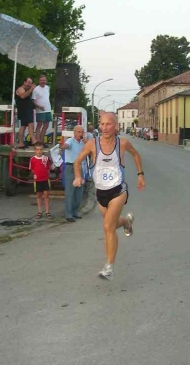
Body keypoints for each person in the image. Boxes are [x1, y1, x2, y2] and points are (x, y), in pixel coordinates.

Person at [73, 112, 146, 281]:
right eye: (102, 124)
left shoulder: (123, 144)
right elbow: (77, 162)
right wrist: (78, 176)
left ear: (115, 126)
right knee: (112, 224)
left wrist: (140, 174)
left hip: (118, 191)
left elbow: (135, 154)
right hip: (101, 193)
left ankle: (109, 267)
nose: (104, 127)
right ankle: (126, 221)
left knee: (107, 226)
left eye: (108, 124)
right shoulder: (92, 144)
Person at [60, 125, 86, 222]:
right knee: (70, 192)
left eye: (82, 132)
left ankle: (75, 211)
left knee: (79, 192)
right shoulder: (70, 141)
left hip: (80, 168)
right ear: (74, 133)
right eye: (78, 132)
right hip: (71, 167)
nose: (80, 134)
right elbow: (66, 146)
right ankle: (68, 214)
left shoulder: (83, 143)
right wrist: (62, 148)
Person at [29, 141, 53, 219]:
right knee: (39, 195)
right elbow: (32, 169)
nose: (39, 151)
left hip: (45, 179)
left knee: (46, 195)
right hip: (38, 180)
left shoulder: (46, 158)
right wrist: (36, 175)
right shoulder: (32, 159)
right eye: (37, 150)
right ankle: (39, 211)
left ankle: (47, 212)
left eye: (40, 149)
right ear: (35, 150)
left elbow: (48, 168)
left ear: (43, 150)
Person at [15, 77, 38, 148]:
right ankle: (34, 140)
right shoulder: (20, 89)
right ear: (24, 82)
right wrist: (31, 89)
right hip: (24, 110)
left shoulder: (28, 90)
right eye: (28, 82)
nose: (29, 84)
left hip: (27, 110)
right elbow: (22, 96)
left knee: (23, 126)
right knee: (30, 124)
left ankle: (21, 143)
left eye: (31, 83)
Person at [32, 75, 52, 145]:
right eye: (41, 80)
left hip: (48, 109)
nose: (43, 81)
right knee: (39, 125)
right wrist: (39, 106)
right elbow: (33, 101)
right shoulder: (36, 89)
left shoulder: (47, 87)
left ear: (46, 81)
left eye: (44, 80)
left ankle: (42, 141)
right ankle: (38, 141)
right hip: (40, 110)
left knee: (46, 125)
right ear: (39, 81)